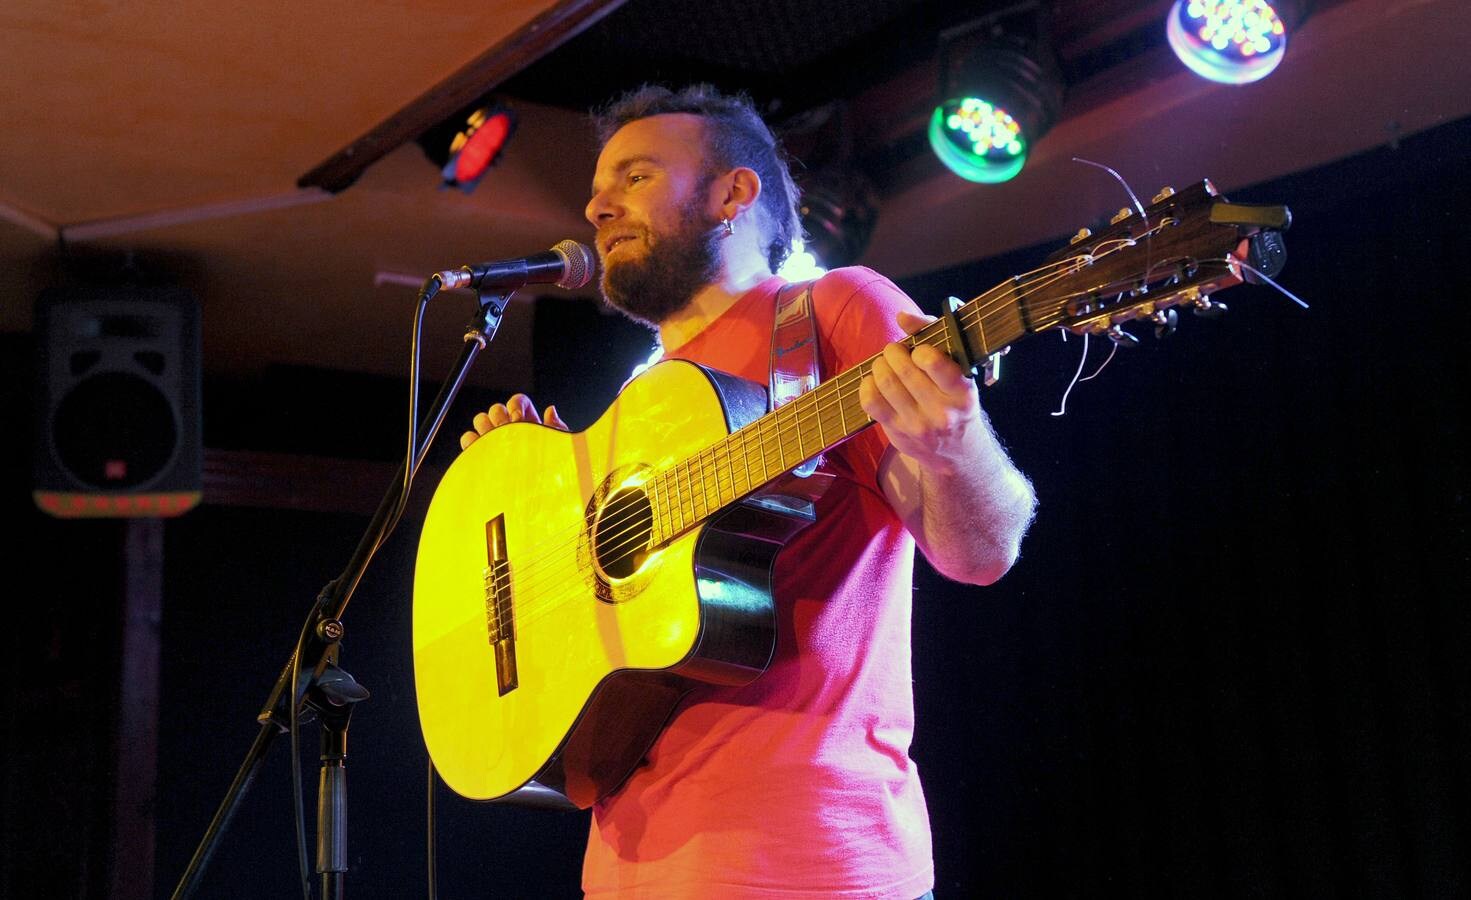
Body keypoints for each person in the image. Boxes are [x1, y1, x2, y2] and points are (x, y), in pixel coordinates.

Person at [459, 84, 1036, 900]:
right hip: (624, 868)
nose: (595, 206)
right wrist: (528, 514)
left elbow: (981, 552)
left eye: (635, 177)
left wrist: (954, 446)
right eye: (598, 186)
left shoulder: (831, 311)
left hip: (805, 855)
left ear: (732, 193)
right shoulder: (640, 404)